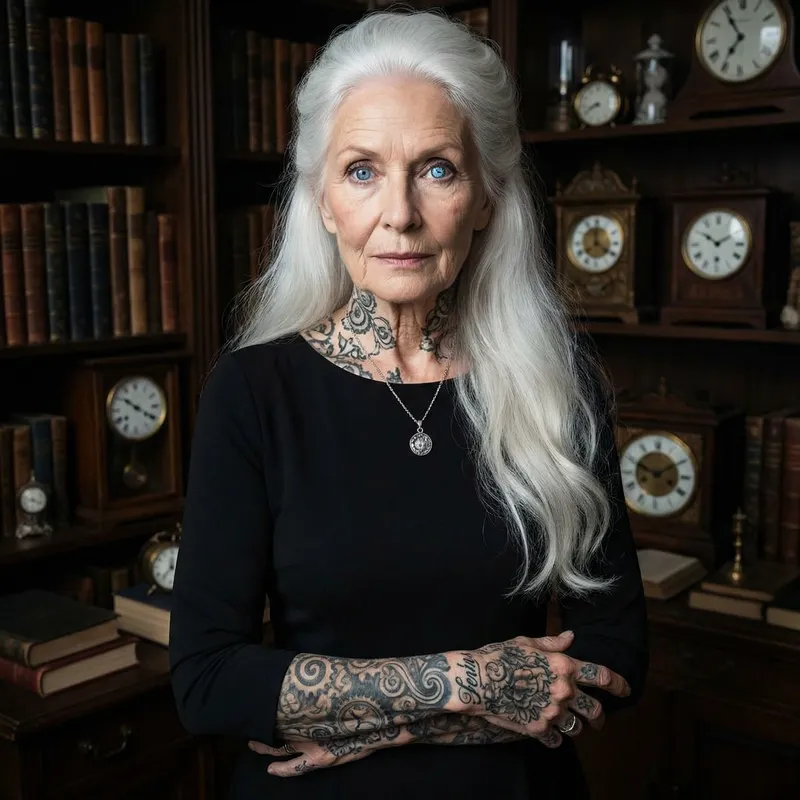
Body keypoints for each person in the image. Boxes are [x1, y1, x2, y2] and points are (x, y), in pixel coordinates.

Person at [168, 9, 648, 800]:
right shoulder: (253, 393)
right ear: (324, 201)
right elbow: (207, 680)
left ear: (485, 198)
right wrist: (469, 681)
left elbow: (616, 654)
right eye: (361, 171)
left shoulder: (557, 385)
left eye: (437, 170)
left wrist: (379, 725)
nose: (399, 213)